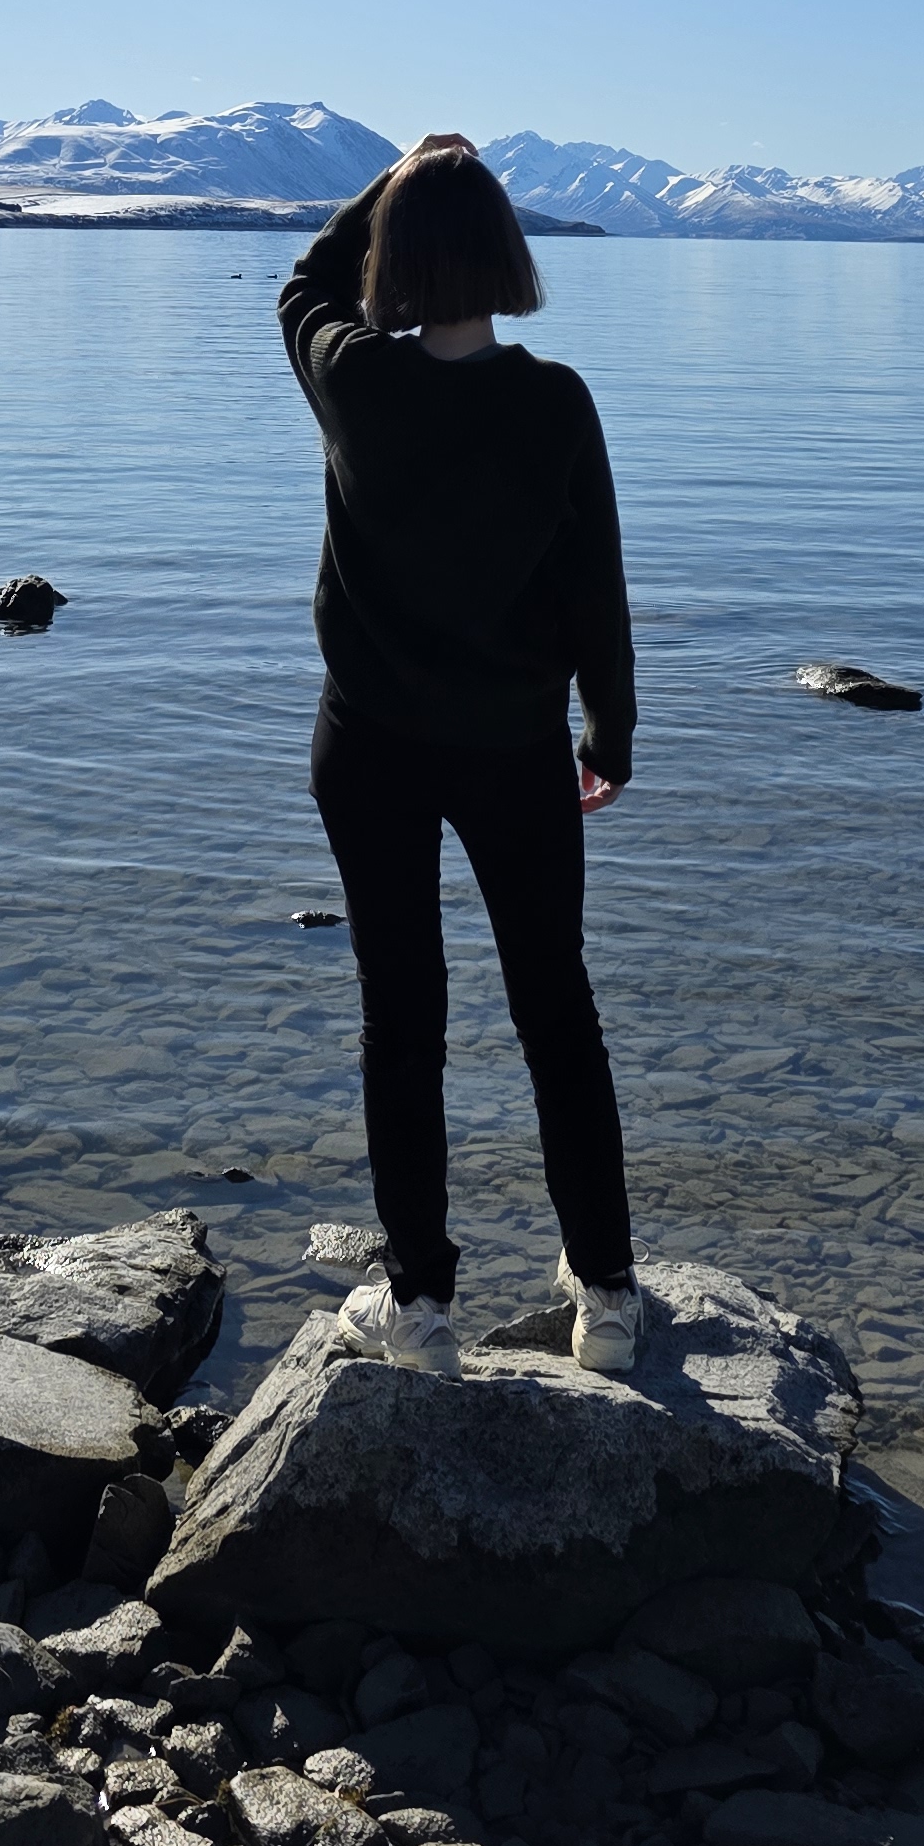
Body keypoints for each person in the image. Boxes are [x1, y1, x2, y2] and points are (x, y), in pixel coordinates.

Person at [279, 132, 640, 1381]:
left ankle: (420, 1306)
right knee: (557, 1011)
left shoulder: (357, 383)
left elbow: (302, 288)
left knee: (403, 1015)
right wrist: (613, 731)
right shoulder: (555, 402)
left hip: (368, 745)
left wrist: (388, 181)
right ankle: (606, 1293)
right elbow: (596, 582)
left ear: (394, 261)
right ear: (505, 254)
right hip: (516, 749)